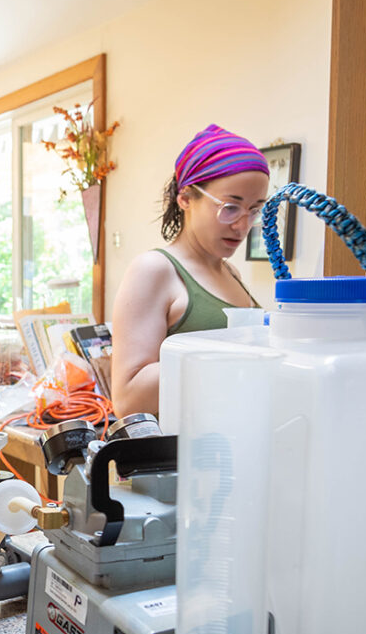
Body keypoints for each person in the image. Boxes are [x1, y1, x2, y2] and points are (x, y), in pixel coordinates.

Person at [110, 124, 269, 417]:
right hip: (183, 456)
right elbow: (127, 400)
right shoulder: (154, 270)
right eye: (231, 207)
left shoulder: (231, 272)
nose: (242, 226)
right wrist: (232, 352)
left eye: (255, 210)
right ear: (185, 198)